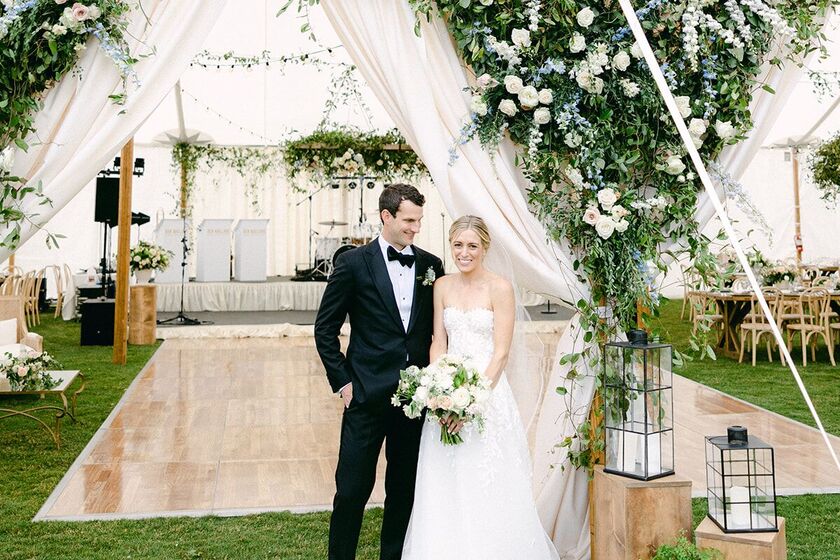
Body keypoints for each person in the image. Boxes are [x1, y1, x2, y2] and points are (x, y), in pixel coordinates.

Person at [402, 215, 559, 560]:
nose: (464, 252)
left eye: (472, 245)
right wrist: (439, 393)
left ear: (485, 248)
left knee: (486, 479)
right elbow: (438, 342)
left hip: (488, 395)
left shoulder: (500, 288)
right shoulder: (442, 286)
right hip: (446, 397)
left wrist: (470, 403)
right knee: (446, 478)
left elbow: (501, 354)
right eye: (458, 245)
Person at [314, 183, 445, 560]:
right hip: (366, 396)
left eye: (419, 221)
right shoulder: (353, 263)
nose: (415, 228)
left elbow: (438, 330)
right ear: (386, 216)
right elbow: (325, 328)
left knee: (403, 490)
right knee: (351, 490)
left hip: (414, 400)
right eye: (409, 221)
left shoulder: (432, 265)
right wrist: (343, 382)